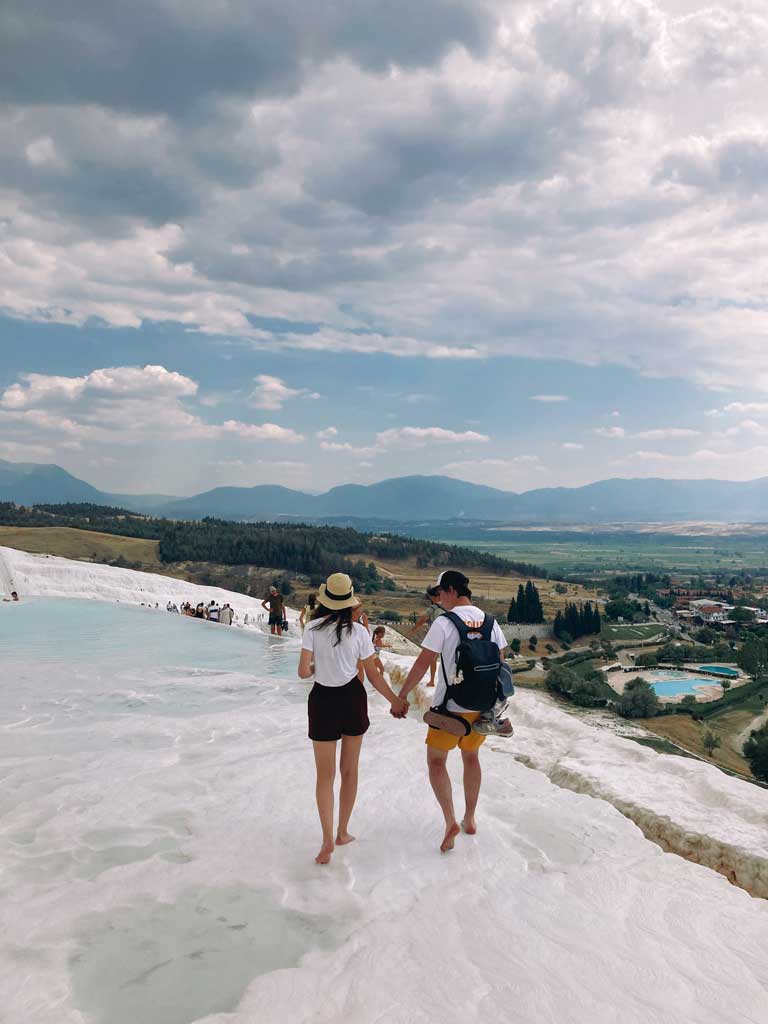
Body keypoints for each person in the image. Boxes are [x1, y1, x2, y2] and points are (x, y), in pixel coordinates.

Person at [394, 570, 508, 854]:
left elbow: (422, 664)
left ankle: (450, 822)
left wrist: (401, 695)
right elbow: (501, 664)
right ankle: (470, 818)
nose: (439, 599)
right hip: (481, 707)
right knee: (471, 757)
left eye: (441, 593)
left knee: (436, 762)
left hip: (449, 709)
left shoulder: (444, 623)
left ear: (452, 591)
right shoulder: (491, 622)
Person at [298, 572, 408, 865]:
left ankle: (325, 840)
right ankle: (342, 832)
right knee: (349, 771)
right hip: (352, 700)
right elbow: (373, 675)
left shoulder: (312, 627)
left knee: (325, 775)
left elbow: (302, 672)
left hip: (322, 700)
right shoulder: (360, 633)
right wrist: (395, 701)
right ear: (349, 601)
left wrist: (315, 667)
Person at [407, 592, 442, 686]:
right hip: (448, 635)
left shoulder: (433, 608)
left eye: (432, 596)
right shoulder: (449, 606)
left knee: (432, 659)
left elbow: (423, 619)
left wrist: (413, 630)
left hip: (436, 635)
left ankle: (432, 681)